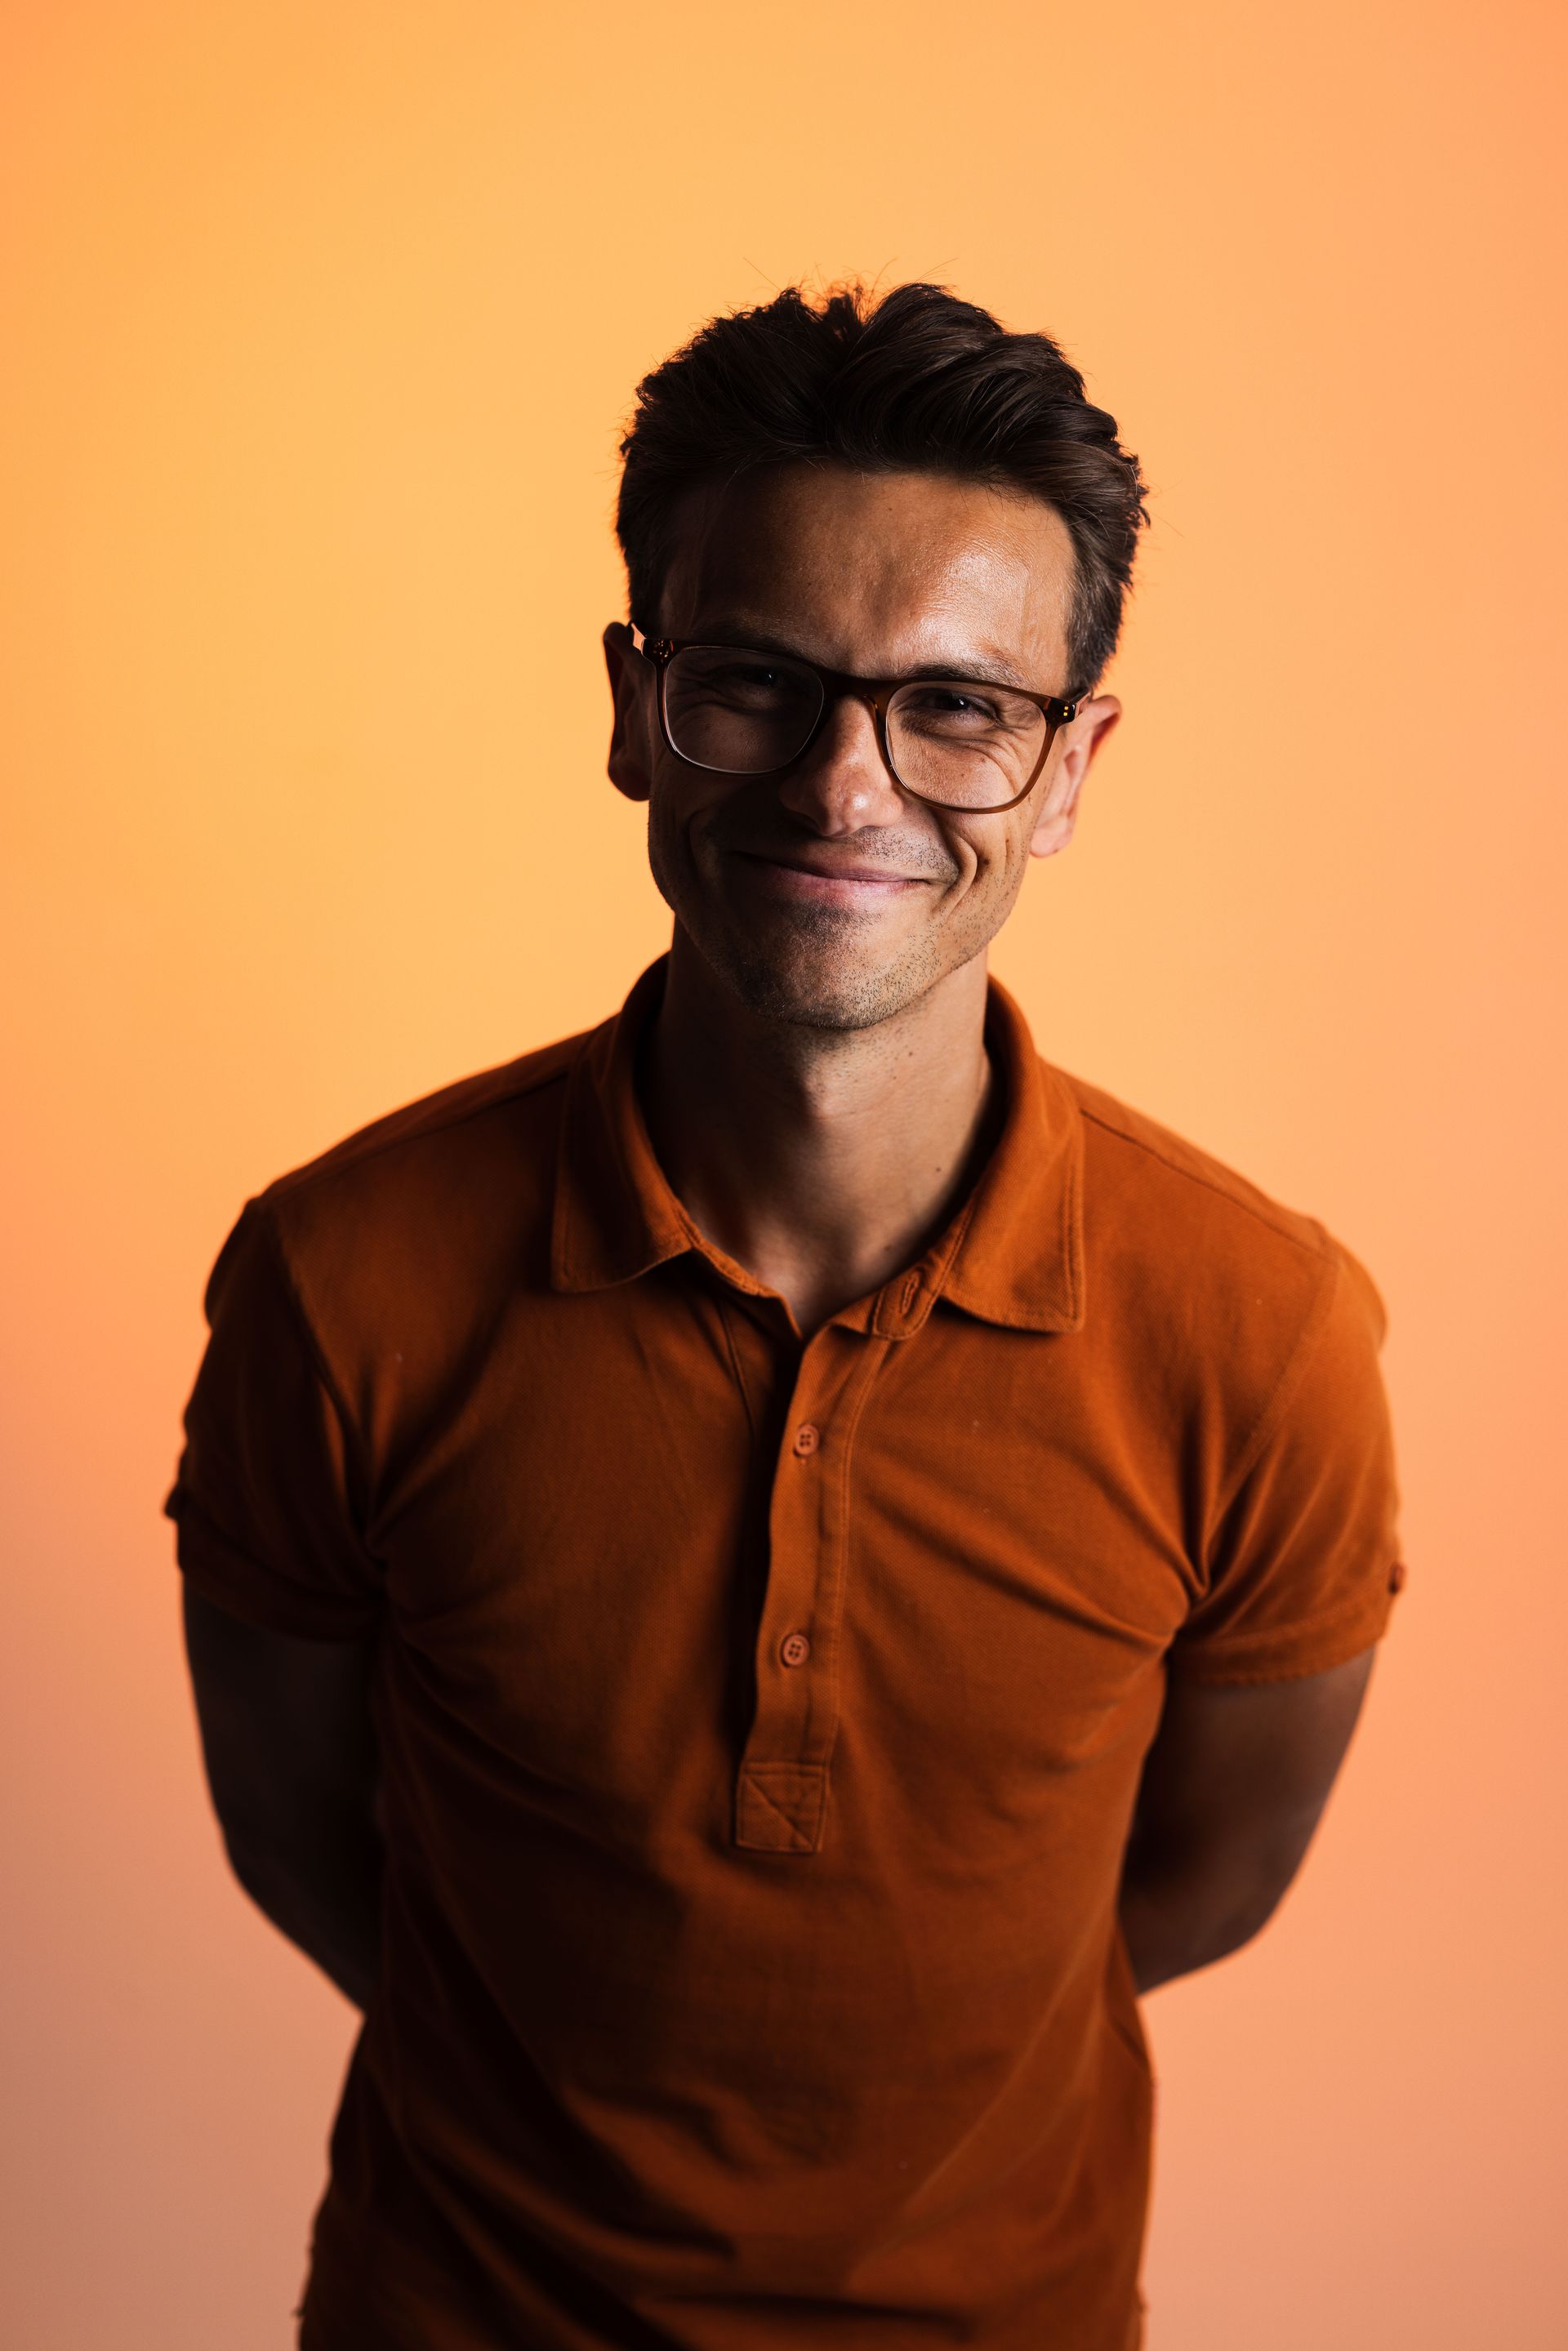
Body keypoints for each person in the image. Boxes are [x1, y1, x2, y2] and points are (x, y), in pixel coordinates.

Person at [168, 281, 1404, 2351]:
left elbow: (1205, 1878)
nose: (846, 788)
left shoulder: (1258, 1331)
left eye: (959, 707)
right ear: (635, 704)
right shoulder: (342, 1276)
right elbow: (296, 1831)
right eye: (756, 682)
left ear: (1072, 766)